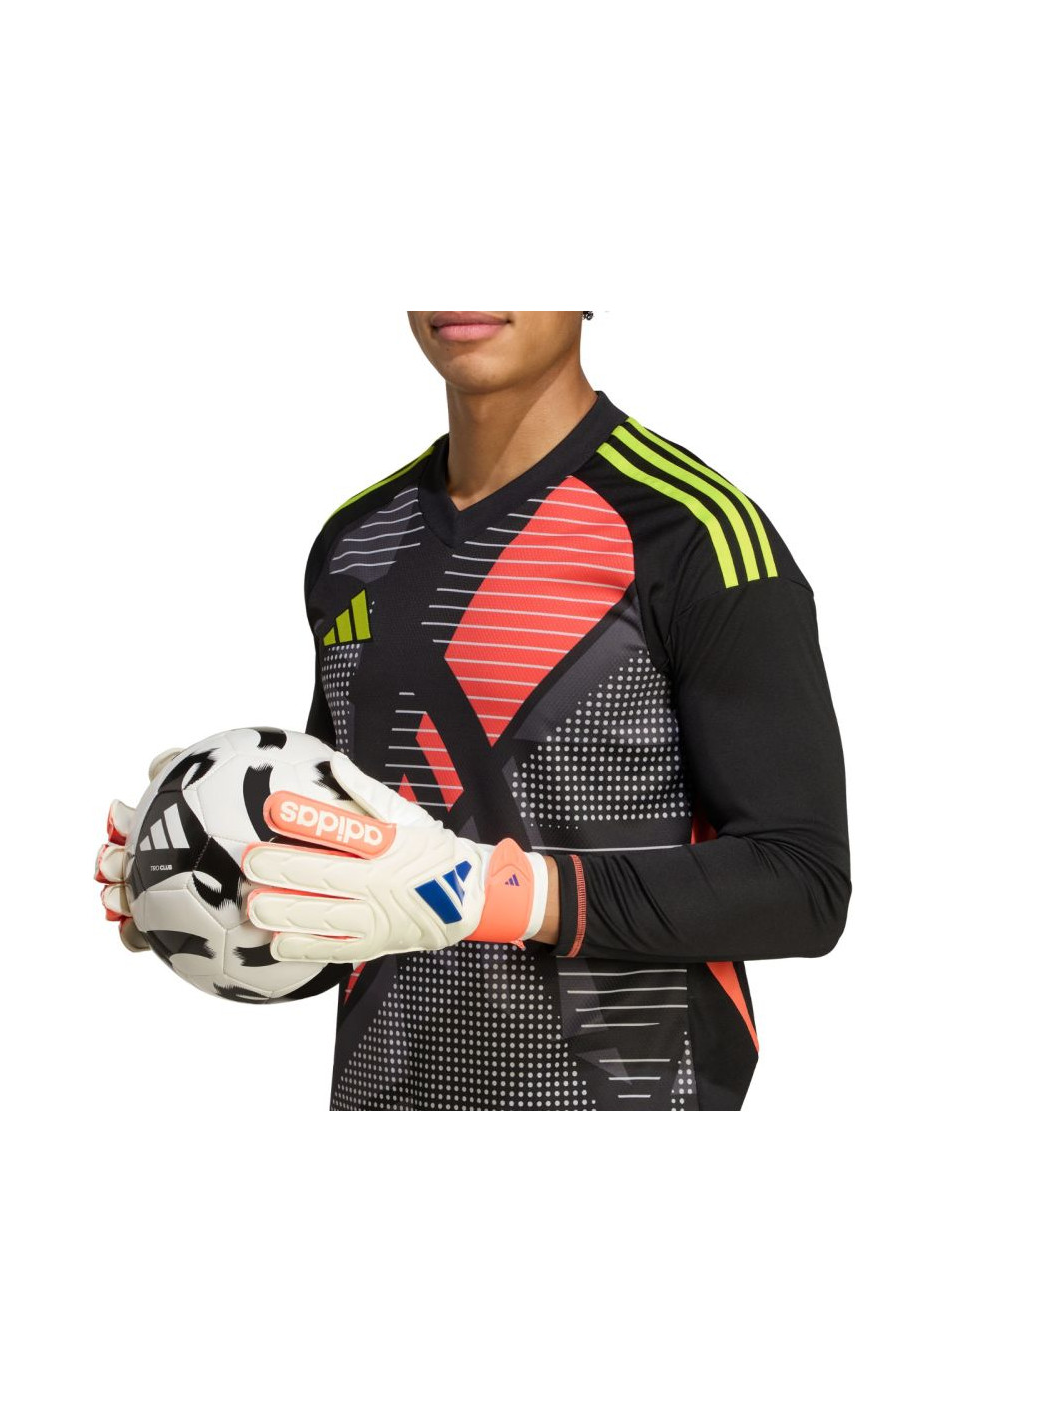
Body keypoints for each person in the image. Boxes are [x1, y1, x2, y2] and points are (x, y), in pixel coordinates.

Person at [101, 311, 850, 1110]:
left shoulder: (696, 533)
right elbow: (366, 889)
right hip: (381, 1102)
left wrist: (499, 895)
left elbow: (802, 886)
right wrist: (221, 885)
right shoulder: (356, 544)